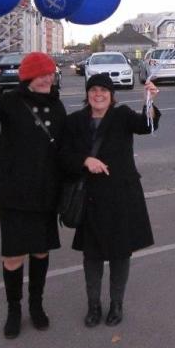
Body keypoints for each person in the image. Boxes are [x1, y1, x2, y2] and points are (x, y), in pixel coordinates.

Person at [0, 52, 108, 339]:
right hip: (14, 192)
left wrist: (85, 161)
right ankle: (14, 310)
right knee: (14, 254)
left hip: (45, 191)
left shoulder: (57, 107)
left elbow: (66, 147)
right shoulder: (10, 102)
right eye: (41, 74)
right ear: (28, 76)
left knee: (40, 251)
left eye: (50, 74)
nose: (47, 79)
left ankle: (36, 306)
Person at [62, 73, 160, 328]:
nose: (98, 94)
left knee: (120, 254)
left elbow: (147, 127)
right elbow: (62, 154)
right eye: (93, 90)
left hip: (121, 196)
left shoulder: (122, 115)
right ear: (87, 94)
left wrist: (148, 102)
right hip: (90, 199)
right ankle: (93, 305)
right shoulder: (74, 121)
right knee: (92, 256)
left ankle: (116, 304)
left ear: (112, 95)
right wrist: (86, 160)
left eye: (104, 90)